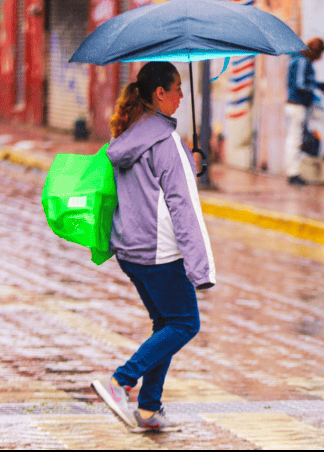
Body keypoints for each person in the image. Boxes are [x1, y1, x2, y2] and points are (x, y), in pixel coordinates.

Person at [91, 61, 216, 433]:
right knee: (184, 323)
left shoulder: (131, 133)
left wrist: (187, 164)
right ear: (159, 94)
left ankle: (148, 409)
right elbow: (183, 207)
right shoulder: (166, 141)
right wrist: (201, 268)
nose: (181, 95)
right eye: (177, 88)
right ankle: (121, 381)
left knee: (166, 323)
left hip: (131, 251)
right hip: (160, 254)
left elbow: (149, 186)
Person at [285, 37, 324, 185]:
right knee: (295, 139)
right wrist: (316, 87)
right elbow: (300, 84)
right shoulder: (302, 61)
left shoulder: (297, 59)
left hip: (298, 105)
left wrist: (317, 84)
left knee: (296, 137)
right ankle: (293, 173)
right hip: (298, 105)